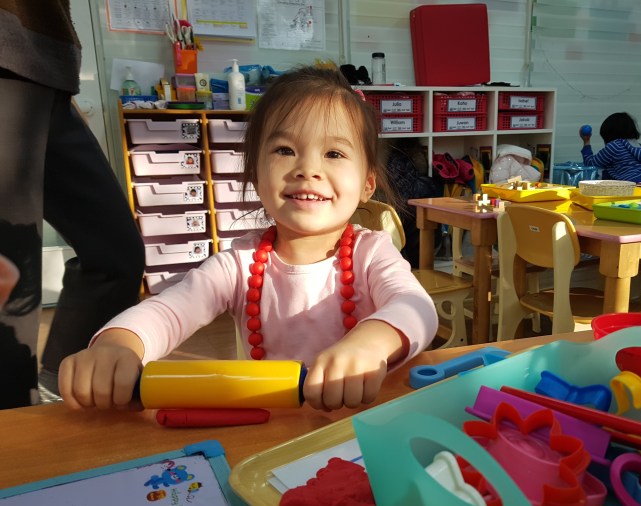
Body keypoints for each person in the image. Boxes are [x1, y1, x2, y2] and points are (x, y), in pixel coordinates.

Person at [59, 66, 439, 412]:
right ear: (255, 175)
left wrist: (371, 343)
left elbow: (416, 308)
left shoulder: (371, 253)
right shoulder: (238, 265)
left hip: (365, 425)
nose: (308, 169)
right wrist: (118, 344)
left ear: (368, 184)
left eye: (334, 153)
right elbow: (170, 310)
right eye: (285, 150)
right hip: (272, 428)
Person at [0, 2, 145, 409]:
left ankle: (57, 384)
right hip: (9, 66)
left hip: (45, 75)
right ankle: (15, 428)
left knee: (117, 256)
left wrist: (59, 84)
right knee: (11, 284)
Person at [579, 112, 641, 183]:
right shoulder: (639, 146)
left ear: (609, 133)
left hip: (630, 184)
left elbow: (590, 163)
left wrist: (586, 141)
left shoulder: (614, 146)